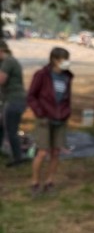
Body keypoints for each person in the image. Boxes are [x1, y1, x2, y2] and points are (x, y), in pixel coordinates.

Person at [27, 47, 73, 195]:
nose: (66, 62)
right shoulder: (42, 75)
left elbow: (67, 97)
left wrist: (66, 112)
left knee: (56, 152)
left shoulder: (67, 77)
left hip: (60, 120)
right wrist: (40, 112)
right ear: (54, 60)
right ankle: (35, 182)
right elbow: (31, 96)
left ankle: (49, 181)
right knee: (42, 152)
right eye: (63, 59)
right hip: (45, 120)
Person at [0, 39, 28, 167]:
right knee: (1, 126)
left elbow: (1, 80)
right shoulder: (7, 61)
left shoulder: (8, 61)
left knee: (11, 130)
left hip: (14, 100)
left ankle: (18, 159)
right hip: (11, 100)